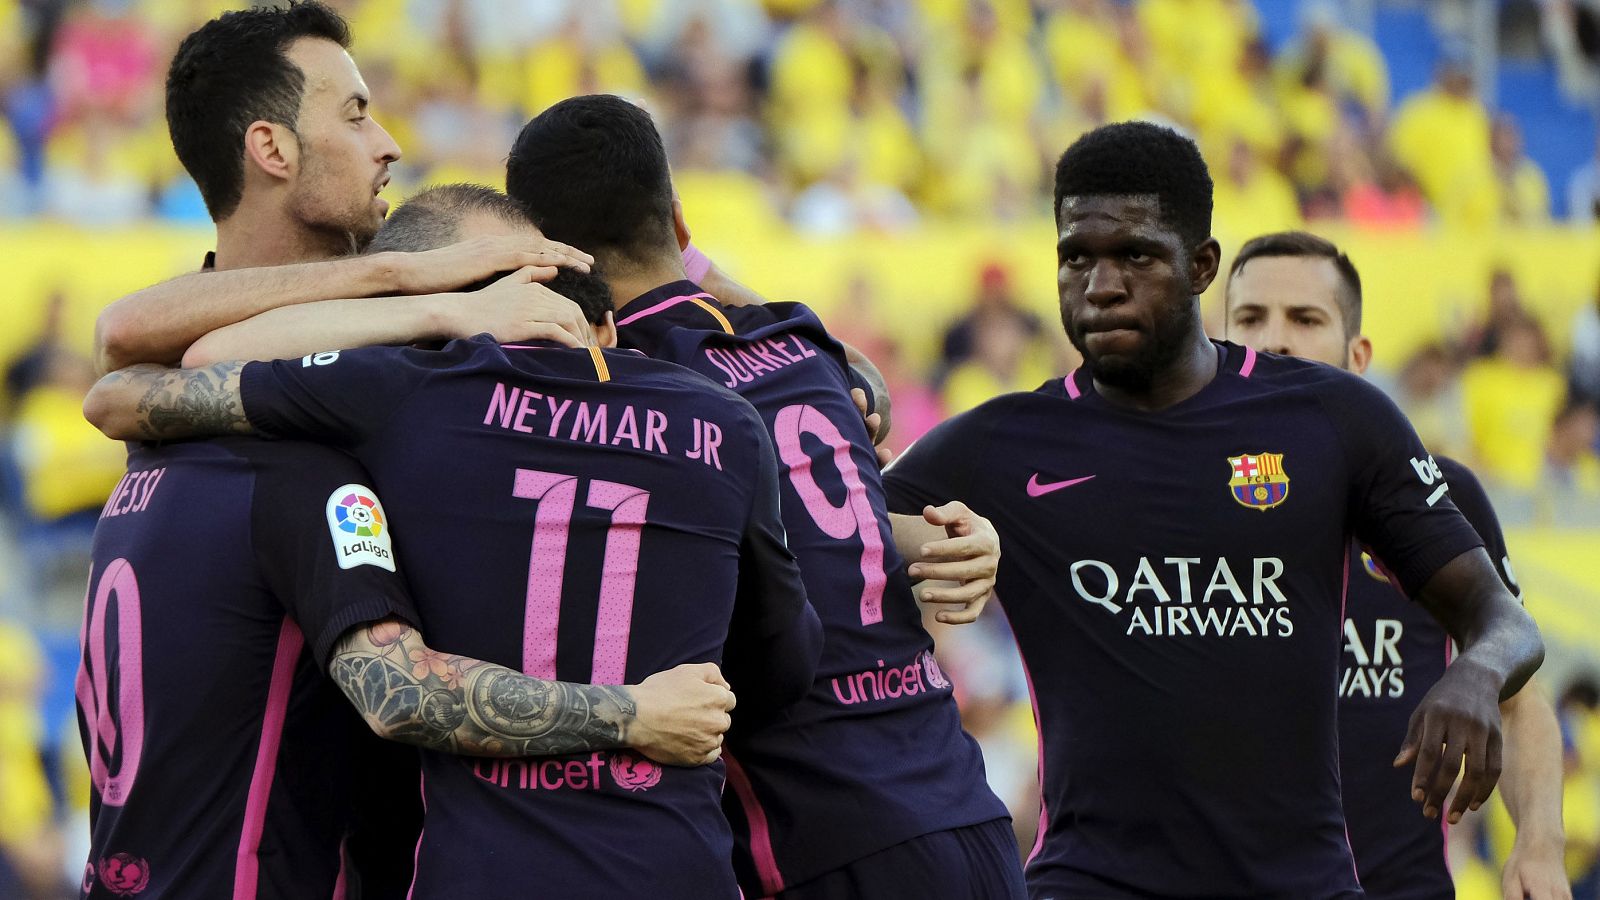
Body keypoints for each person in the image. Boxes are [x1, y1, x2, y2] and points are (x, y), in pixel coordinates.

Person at [76, 5, 693, 897]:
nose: (390, 143)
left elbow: (120, 373)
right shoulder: (310, 435)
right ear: (272, 149)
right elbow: (399, 690)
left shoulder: (178, 405)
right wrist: (423, 289)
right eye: (357, 113)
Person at [81, 185, 825, 900]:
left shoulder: (414, 392)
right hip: (675, 862)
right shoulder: (724, 423)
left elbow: (157, 379)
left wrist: (427, 303)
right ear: (604, 326)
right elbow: (783, 665)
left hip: (475, 870)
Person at [882, 121, 1544, 899]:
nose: (1100, 284)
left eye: (1134, 255)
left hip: (1301, 885)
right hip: (1090, 882)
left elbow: (1504, 619)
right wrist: (922, 524)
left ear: (1200, 267)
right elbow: (836, 527)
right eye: (1076, 257)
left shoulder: (1333, 419)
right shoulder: (1001, 442)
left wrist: (1475, 671)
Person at [506, 95, 1024, 900]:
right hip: (963, 805)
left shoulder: (622, 394)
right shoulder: (804, 345)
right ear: (678, 221)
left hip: (821, 836)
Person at [1224, 230, 1569, 900]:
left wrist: (1539, 845)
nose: (1274, 340)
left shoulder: (1440, 498)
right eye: (1249, 318)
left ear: (1357, 358)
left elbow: (1521, 699)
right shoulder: (1172, 500)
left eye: (1305, 319)